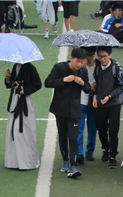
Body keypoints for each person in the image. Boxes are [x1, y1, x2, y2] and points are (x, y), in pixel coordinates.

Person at [45, 47, 91, 178]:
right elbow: (48, 82)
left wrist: (82, 83)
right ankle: (65, 161)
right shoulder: (59, 68)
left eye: (82, 62)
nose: (79, 64)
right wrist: (65, 80)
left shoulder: (82, 71)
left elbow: (88, 89)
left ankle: (73, 164)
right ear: (71, 58)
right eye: (77, 61)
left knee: (73, 137)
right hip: (60, 109)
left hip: (75, 110)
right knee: (62, 135)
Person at [4, 60, 43, 171]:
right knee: (13, 130)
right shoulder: (15, 66)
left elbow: (37, 84)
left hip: (24, 101)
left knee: (24, 130)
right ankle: (14, 161)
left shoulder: (30, 67)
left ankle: (27, 161)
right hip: (15, 101)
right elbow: (11, 85)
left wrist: (22, 88)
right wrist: (8, 78)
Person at [93, 46, 123, 168]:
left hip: (114, 105)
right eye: (100, 56)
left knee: (113, 130)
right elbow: (97, 84)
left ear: (110, 55)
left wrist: (109, 96)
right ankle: (105, 149)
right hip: (101, 104)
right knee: (101, 129)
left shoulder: (116, 68)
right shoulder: (97, 67)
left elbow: (121, 87)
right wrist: (95, 96)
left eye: (104, 56)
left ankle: (113, 155)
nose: (102, 59)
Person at [76, 49, 98, 165]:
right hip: (81, 99)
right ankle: (79, 153)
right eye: (86, 55)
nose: (88, 58)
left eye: (90, 55)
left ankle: (89, 151)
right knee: (79, 127)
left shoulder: (98, 66)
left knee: (92, 127)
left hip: (93, 100)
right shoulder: (80, 66)